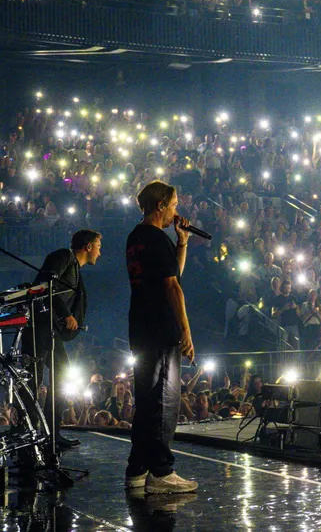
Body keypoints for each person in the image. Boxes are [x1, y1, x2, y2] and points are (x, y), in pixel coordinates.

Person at [124, 181, 198, 494]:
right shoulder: (154, 237)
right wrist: (186, 331)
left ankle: (137, 469)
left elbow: (171, 274)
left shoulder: (136, 237)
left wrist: (181, 243)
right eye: (173, 205)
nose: (175, 211)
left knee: (146, 400)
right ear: (160, 206)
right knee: (164, 402)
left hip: (140, 326)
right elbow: (173, 287)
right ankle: (161, 471)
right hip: (161, 327)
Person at [23, 228, 101, 450]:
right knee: (32, 380)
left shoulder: (76, 270)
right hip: (38, 327)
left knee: (61, 375)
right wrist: (66, 314)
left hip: (51, 331)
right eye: (98, 246)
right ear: (87, 247)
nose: (99, 252)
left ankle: (51, 433)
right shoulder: (64, 256)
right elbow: (45, 285)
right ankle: (27, 432)